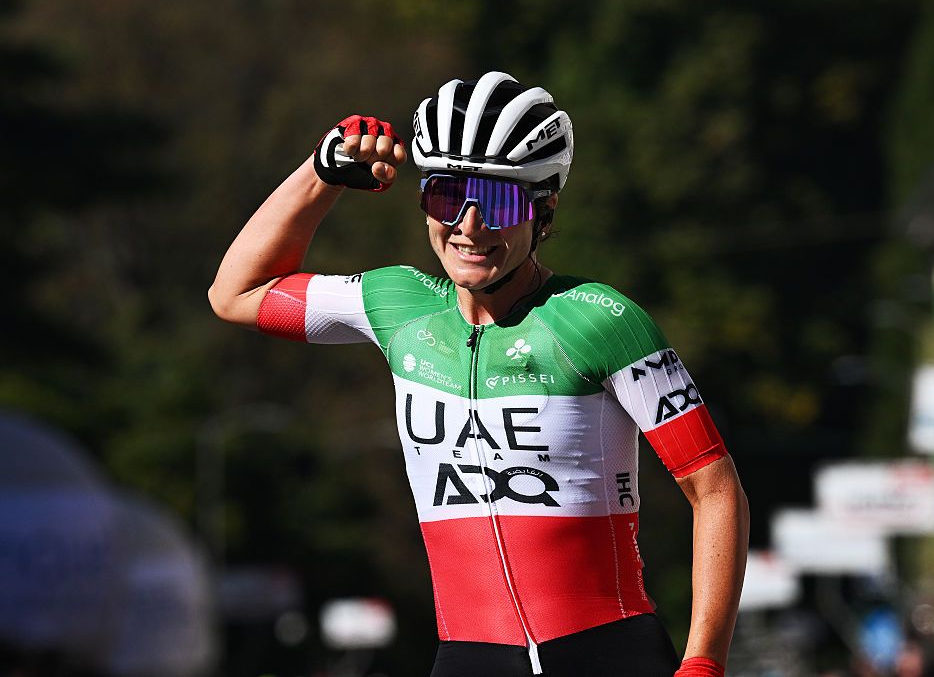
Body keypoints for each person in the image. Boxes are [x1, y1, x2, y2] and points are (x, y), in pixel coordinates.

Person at [209, 71, 749, 677]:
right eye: (446, 197)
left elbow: (716, 490)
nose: (468, 226)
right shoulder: (396, 305)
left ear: (543, 213)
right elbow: (235, 294)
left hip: (605, 652)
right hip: (468, 656)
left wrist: (704, 662)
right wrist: (321, 174)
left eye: (496, 202)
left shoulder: (602, 320)